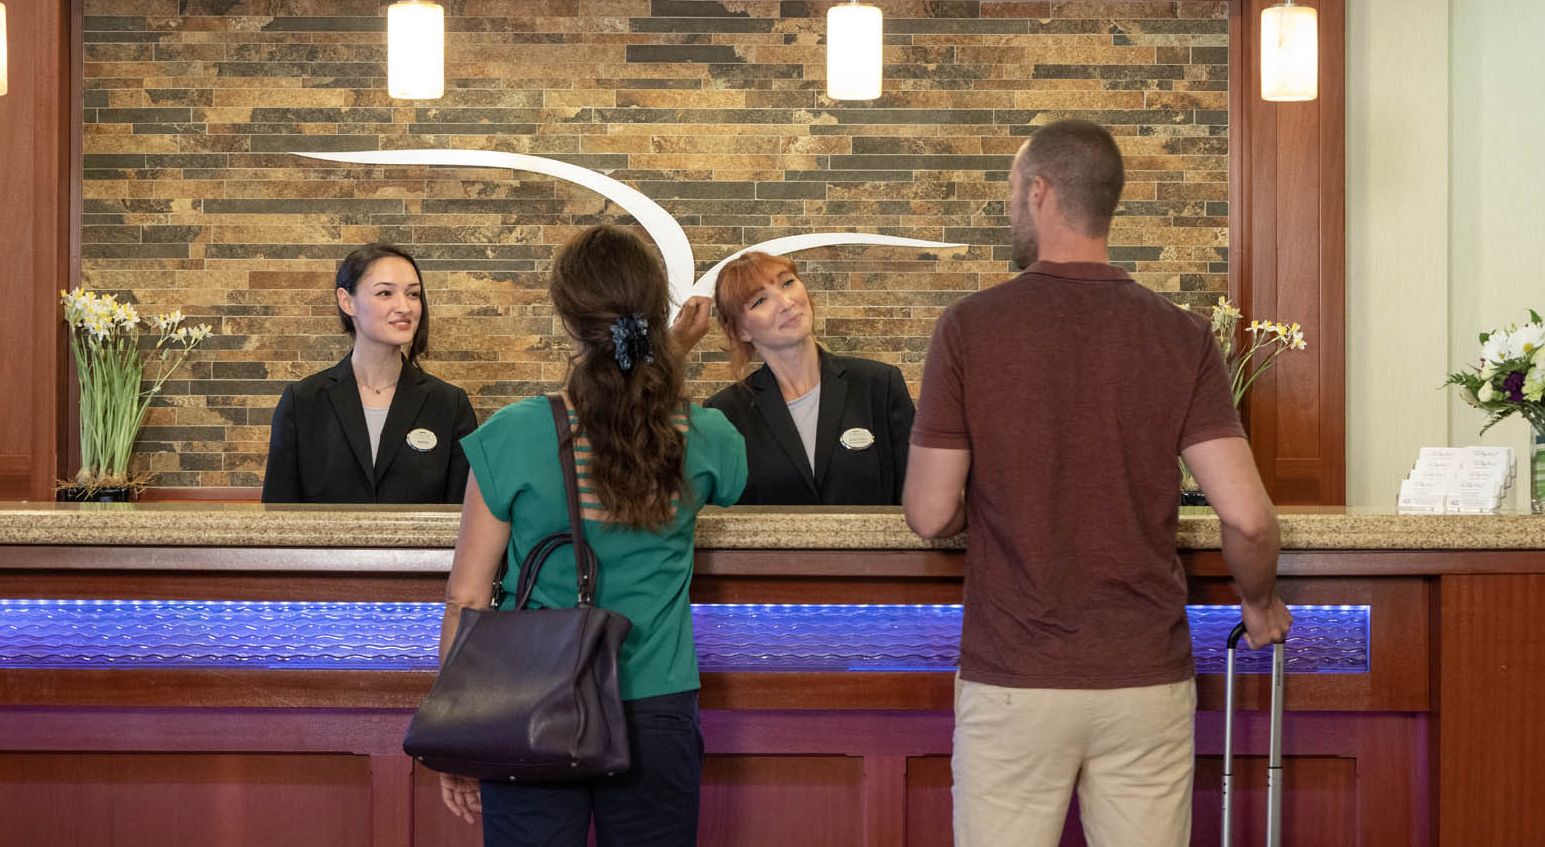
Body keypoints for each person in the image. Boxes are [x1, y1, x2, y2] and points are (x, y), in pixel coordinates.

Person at [901, 119, 1293, 847]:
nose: (1011, 206)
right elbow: (1247, 516)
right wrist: (1258, 599)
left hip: (1015, 674)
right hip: (1144, 676)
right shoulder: (1178, 335)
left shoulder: (969, 328)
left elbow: (928, 512)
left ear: (1040, 191)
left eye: (1013, 191)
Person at [436, 224, 747, 846]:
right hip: (657, 707)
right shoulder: (712, 438)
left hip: (530, 702)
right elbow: (641, 415)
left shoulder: (514, 435)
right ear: (658, 310)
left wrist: (459, 730)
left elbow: (468, 597)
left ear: (568, 319)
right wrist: (671, 354)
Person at [262, 244, 477, 504]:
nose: (404, 307)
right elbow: (278, 518)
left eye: (413, 294)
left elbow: (463, 518)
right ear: (347, 301)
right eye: (385, 293)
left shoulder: (450, 405)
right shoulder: (303, 401)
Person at [704, 251, 914, 505]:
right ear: (740, 330)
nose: (785, 302)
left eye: (788, 283)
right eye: (760, 301)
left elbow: (917, 499)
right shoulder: (725, 413)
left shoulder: (879, 385)